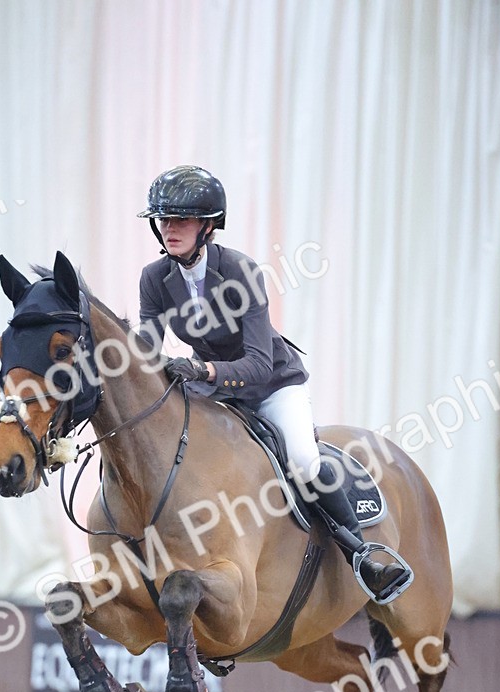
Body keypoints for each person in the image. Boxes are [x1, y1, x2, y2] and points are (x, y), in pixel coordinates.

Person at [137, 163, 412, 605]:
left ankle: (362, 554)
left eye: (181, 220)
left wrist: (203, 371)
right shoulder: (155, 278)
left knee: (303, 460)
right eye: (164, 220)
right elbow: (148, 346)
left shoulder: (241, 272)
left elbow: (259, 363)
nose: (170, 229)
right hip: (213, 390)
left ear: (207, 227)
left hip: (271, 385)